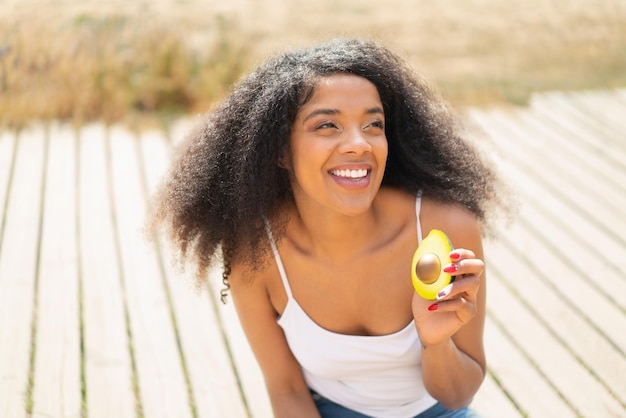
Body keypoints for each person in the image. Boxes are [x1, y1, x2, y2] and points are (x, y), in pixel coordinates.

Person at [149, 38, 510, 418]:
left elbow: (458, 396)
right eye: (327, 125)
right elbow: (286, 390)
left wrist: (436, 342)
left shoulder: (444, 227)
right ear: (279, 150)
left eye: (374, 124)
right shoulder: (256, 254)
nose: (359, 144)